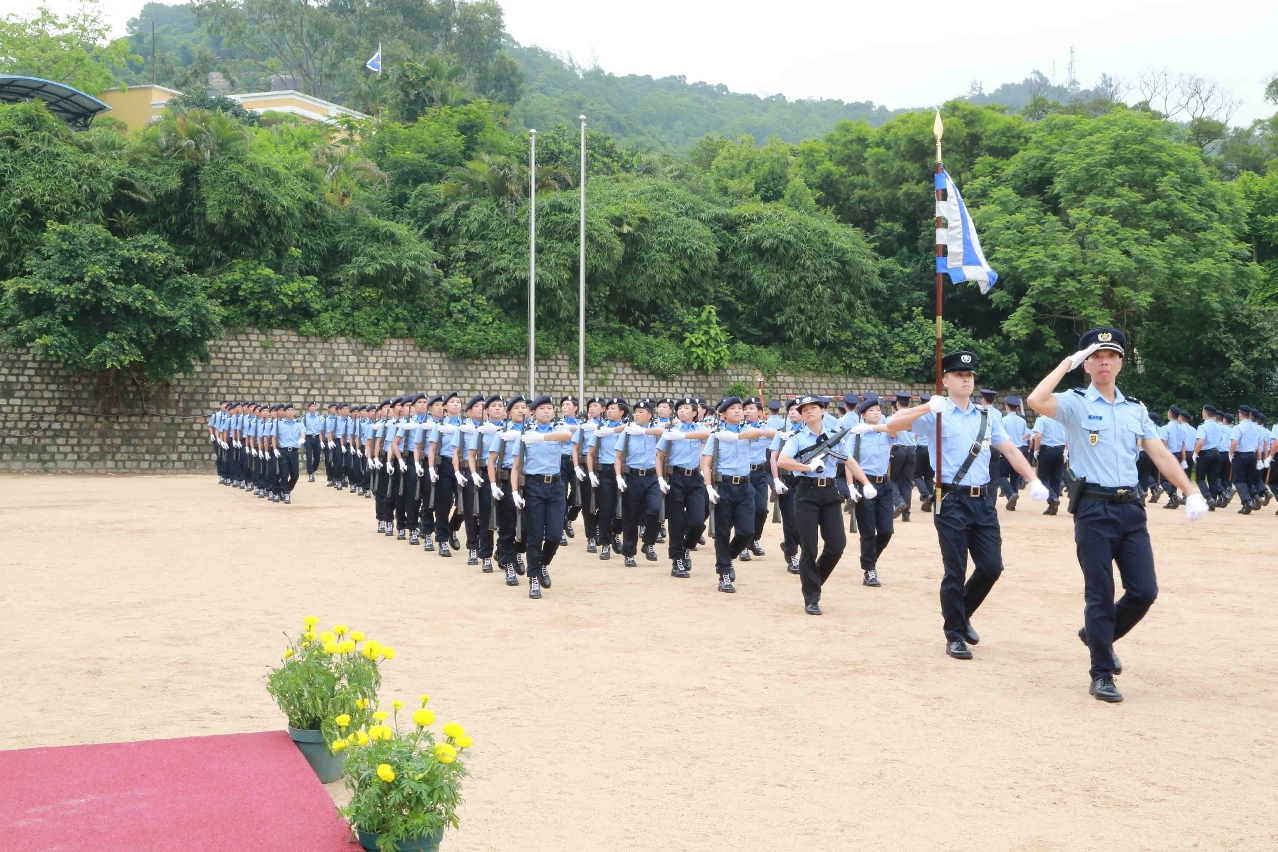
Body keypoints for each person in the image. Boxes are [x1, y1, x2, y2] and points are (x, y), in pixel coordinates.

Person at [1026, 327, 1206, 703]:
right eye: (1096, 356)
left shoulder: (1135, 409)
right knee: (1101, 592)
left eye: (1111, 356)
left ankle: (1097, 636)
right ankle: (1102, 673)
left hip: (1131, 508)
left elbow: (1158, 453)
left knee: (1144, 591)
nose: (1104, 362)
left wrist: (1190, 490)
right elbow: (1036, 401)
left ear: (1121, 362)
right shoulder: (1075, 403)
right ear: (1086, 364)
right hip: (1093, 508)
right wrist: (1065, 364)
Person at [886, 351, 1048, 660]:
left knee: (991, 566)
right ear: (945, 380)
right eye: (959, 375)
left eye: (969, 375)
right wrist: (925, 406)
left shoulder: (988, 417)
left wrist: (1034, 479)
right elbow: (893, 424)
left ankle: (960, 614)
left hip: (983, 499)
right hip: (950, 499)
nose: (966, 379)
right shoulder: (935, 413)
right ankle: (955, 634)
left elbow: (1011, 451)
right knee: (955, 570)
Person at [777, 395, 872, 614]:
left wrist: (864, 483)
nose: (809, 412)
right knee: (809, 546)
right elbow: (783, 460)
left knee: (837, 544)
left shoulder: (834, 437)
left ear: (823, 411)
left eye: (813, 408)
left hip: (829, 491)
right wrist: (807, 468)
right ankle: (811, 597)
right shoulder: (798, 437)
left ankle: (814, 581)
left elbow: (848, 460)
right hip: (806, 492)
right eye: (805, 409)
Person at [701, 397, 774, 593]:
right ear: (723, 414)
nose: (737, 411)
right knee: (723, 533)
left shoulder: (747, 432)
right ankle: (724, 573)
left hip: (745, 487)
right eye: (732, 408)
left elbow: (768, 433)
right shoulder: (715, 436)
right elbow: (706, 463)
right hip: (723, 486)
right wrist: (709, 487)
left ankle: (727, 558)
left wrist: (737, 437)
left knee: (746, 532)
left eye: (740, 408)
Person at [510, 396, 575, 599]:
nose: (546, 412)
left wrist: (542, 438)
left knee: (555, 535)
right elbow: (515, 466)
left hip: (555, 486)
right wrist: (514, 492)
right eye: (542, 408)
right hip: (533, 486)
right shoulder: (525, 434)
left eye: (549, 408)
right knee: (535, 536)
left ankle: (543, 564)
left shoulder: (558, 429)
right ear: (533, 412)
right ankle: (534, 578)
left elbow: (568, 434)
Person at [655, 397, 712, 577]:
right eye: (679, 408)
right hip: (676, 477)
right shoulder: (671, 431)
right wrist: (660, 479)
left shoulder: (700, 429)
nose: (681, 411)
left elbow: (708, 436)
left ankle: (687, 546)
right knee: (677, 522)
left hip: (696, 477)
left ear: (695, 413)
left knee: (697, 520)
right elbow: (659, 457)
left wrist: (684, 435)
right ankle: (677, 559)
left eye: (686, 408)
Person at [847, 395, 897, 587]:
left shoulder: (885, 431)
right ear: (863, 415)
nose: (877, 412)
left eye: (879, 410)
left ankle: (869, 560)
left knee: (885, 530)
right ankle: (869, 569)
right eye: (872, 410)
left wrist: (873, 427)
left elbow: (895, 428)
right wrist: (851, 486)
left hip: (883, 485)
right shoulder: (856, 434)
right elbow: (848, 461)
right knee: (867, 530)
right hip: (864, 483)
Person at [616, 399, 667, 567]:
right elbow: (618, 456)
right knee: (631, 516)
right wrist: (618, 476)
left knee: (655, 510)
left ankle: (648, 542)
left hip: (652, 476)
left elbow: (663, 431)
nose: (637, 415)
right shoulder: (628, 431)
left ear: (650, 415)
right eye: (635, 412)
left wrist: (644, 432)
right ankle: (629, 552)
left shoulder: (655, 430)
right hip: (633, 476)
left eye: (641, 412)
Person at [489, 395, 529, 585]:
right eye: (517, 408)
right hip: (507, 481)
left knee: (528, 526)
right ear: (508, 412)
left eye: (524, 407)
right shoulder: (502, 432)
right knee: (508, 525)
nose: (521, 411)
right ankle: (509, 564)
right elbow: (491, 461)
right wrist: (493, 485)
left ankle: (516, 552)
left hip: (530, 481)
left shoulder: (534, 431)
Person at [587, 398, 629, 561]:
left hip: (625, 471)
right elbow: (590, 453)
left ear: (622, 412)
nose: (609, 411)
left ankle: (615, 533)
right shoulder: (600, 428)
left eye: (613, 408)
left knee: (626, 508)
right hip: (605, 469)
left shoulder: (630, 427)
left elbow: (628, 427)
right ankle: (605, 543)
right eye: (609, 408)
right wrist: (591, 473)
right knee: (605, 509)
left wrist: (612, 431)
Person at [427, 392, 466, 555]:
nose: (456, 405)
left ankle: (452, 528)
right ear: (445, 407)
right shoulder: (439, 425)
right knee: (444, 503)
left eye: (458, 402)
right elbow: (433, 448)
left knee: (465, 504)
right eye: (452, 402)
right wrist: (430, 468)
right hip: (445, 465)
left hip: (464, 466)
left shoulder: (466, 424)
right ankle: (442, 539)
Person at [769, 399, 804, 574]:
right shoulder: (781, 433)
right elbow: (773, 457)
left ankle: (790, 544)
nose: (792, 412)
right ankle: (792, 555)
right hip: (786, 480)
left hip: (805, 480)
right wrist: (776, 479)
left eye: (797, 409)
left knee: (804, 521)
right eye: (790, 409)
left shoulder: (809, 432)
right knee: (790, 520)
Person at [741, 397, 777, 560]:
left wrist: (760, 431)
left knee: (761, 509)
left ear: (760, 413)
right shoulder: (739, 428)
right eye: (745, 409)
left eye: (751, 409)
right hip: (744, 473)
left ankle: (754, 539)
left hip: (761, 473)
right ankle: (742, 544)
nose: (747, 412)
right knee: (745, 509)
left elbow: (776, 436)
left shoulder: (766, 428)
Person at [574, 396, 605, 552]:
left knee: (605, 501)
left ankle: (599, 525)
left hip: (605, 465)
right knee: (588, 502)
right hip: (587, 464)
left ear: (603, 409)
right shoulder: (583, 426)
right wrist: (577, 467)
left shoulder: (607, 426)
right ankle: (591, 536)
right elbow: (575, 447)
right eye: (590, 406)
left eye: (595, 406)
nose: (592, 408)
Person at [888, 393, 918, 521]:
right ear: (908, 403)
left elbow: (890, 436)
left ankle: (899, 501)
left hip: (898, 450)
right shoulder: (914, 418)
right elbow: (917, 436)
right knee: (907, 482)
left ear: (897, 404)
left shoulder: (893, 417)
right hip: (911, 450)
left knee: (892, 479)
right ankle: (906, 514)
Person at [1031, 412, 1068, 515]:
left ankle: (1053, 499)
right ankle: (1053, 506)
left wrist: (1036, 450)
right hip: (1060, 450)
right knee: (1056, 479)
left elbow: (1038, 436)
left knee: (1042, 479)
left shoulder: (1042, 419)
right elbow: (1068, 435)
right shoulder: (1061, 418)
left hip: (1047, 450)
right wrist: (1066, 450)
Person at [558, 396, 583, 545]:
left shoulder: (582, 423)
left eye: (567, 404)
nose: (564, 407)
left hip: (576, 461)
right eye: (562, 405)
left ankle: (568, 518)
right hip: (560, 460)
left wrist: (573, 428)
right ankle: (560, 529)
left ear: (575, 408)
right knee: (561, 495)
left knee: (577, 497)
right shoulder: (557, 423)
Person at [1231, 405, 1264, 514]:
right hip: (1252, 456)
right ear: (1249, 415)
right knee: (1249, 480)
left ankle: (1247, 501)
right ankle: (1248, 504)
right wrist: (1259, 460)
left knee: (1239, 480)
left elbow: (1234, 443)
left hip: (1241, 455)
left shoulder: (1238, 427)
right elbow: (1258, 445)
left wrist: (1230, 454)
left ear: (1240, 414)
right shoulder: (1256, 428)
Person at [1000, 395, 1030, 509]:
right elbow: (1024, 435)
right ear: (1017, 408)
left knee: (1001, 475)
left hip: (1007, 449)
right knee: (1015, 476)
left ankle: (1010, 494)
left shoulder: (1003, 420)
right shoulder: (1022, 421)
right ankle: (1013, 500)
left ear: (1006, 406)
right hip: (1019, 450)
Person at [1192, 404, 1225, 508]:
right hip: (1216, 452)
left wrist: (1195, 453)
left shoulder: (1203, 427)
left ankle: (1208, 497)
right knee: (1213, 479)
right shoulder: (1220, 427)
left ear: (1205, 413)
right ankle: (1213, 502)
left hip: (1205, 453)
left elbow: (1200, 442)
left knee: (1200, 478)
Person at [275, 403, 303, 503]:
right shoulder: (279, 424)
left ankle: (286, 489)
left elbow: (302, 432)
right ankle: (286, 493)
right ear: (285, 412)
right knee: (284, 473)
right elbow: (274, 437)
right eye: (288, 410)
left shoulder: (298, 423)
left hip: (294, 452)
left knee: (295, 475)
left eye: (292, 410)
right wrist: (275, 449)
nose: (290, 412)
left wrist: (302, 439)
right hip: (283, 451)